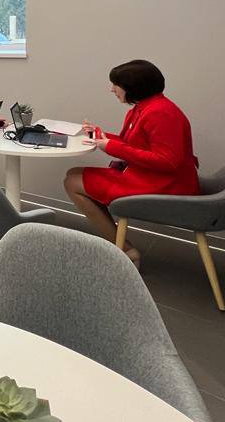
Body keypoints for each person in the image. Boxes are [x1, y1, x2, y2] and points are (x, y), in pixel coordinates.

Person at [64, 59, 199, 266]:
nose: (112, 89)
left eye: (116, 85)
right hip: (152, 177)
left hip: (166, 185)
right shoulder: (145, 108)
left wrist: (110, 146)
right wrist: (99, 136)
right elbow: (133, 144)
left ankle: (125, 250)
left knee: (72, 182)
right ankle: (117, 240)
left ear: (133, 87)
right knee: (73, 173)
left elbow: (167, 161)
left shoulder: (161, 113)